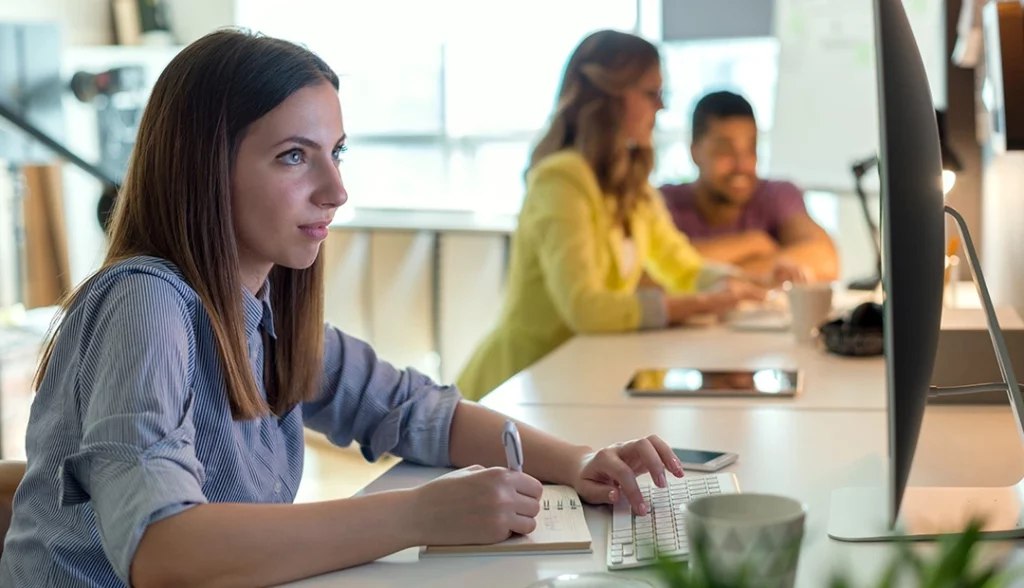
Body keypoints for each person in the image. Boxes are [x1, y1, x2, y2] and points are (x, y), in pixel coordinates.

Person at [0, 30, 688, 587]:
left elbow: (418, 411)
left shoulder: (266, 309)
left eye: (336, 152)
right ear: (202, 166)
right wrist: (418, 514)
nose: (336, 190)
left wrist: (581, 461)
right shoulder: (145, 303)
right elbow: (164, 552)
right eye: (295, 156)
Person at [455, 31, 765, 403]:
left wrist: (752, 283)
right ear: (609, 98)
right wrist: (698, 304)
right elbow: (586, 309)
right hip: (524, 385)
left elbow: (684, 268)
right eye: (651, 94)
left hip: (583, 380)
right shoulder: (561, 179)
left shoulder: (632, 185)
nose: (662, 108)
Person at [658, 90, 839, 283]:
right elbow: (645, 278)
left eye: (750, 149)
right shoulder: (661, 203)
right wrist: (753, 244)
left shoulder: (777, 194)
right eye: (725, 150)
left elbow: (825, 260)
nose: (742, 165)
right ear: (694, 152)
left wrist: (708, 277)